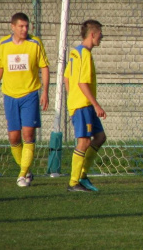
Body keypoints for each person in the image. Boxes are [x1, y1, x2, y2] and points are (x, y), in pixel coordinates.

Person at [0, 12, 50, 187]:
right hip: (9, 95)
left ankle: (22, 174)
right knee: (14, 138)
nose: (25, 29)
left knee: (28, 134)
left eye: (27, 26)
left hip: (30, 95)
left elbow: (45, 67)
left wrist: (45, 91)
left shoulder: (35, 43)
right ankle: (27, 170)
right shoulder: (3, 44)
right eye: (21, 26)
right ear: (13, 27)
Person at [64, 20, 107, 192]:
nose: (102, 37)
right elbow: (82, 83)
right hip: (84, 105)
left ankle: (82, 174)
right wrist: (96, 105)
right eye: (100, 33)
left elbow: (67, 78)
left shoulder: (76, 52)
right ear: (92, 34)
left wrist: (71, 97)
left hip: (81, 104)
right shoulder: (85, 55)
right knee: (83, 142)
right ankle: (74, 182)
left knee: (100, 137)